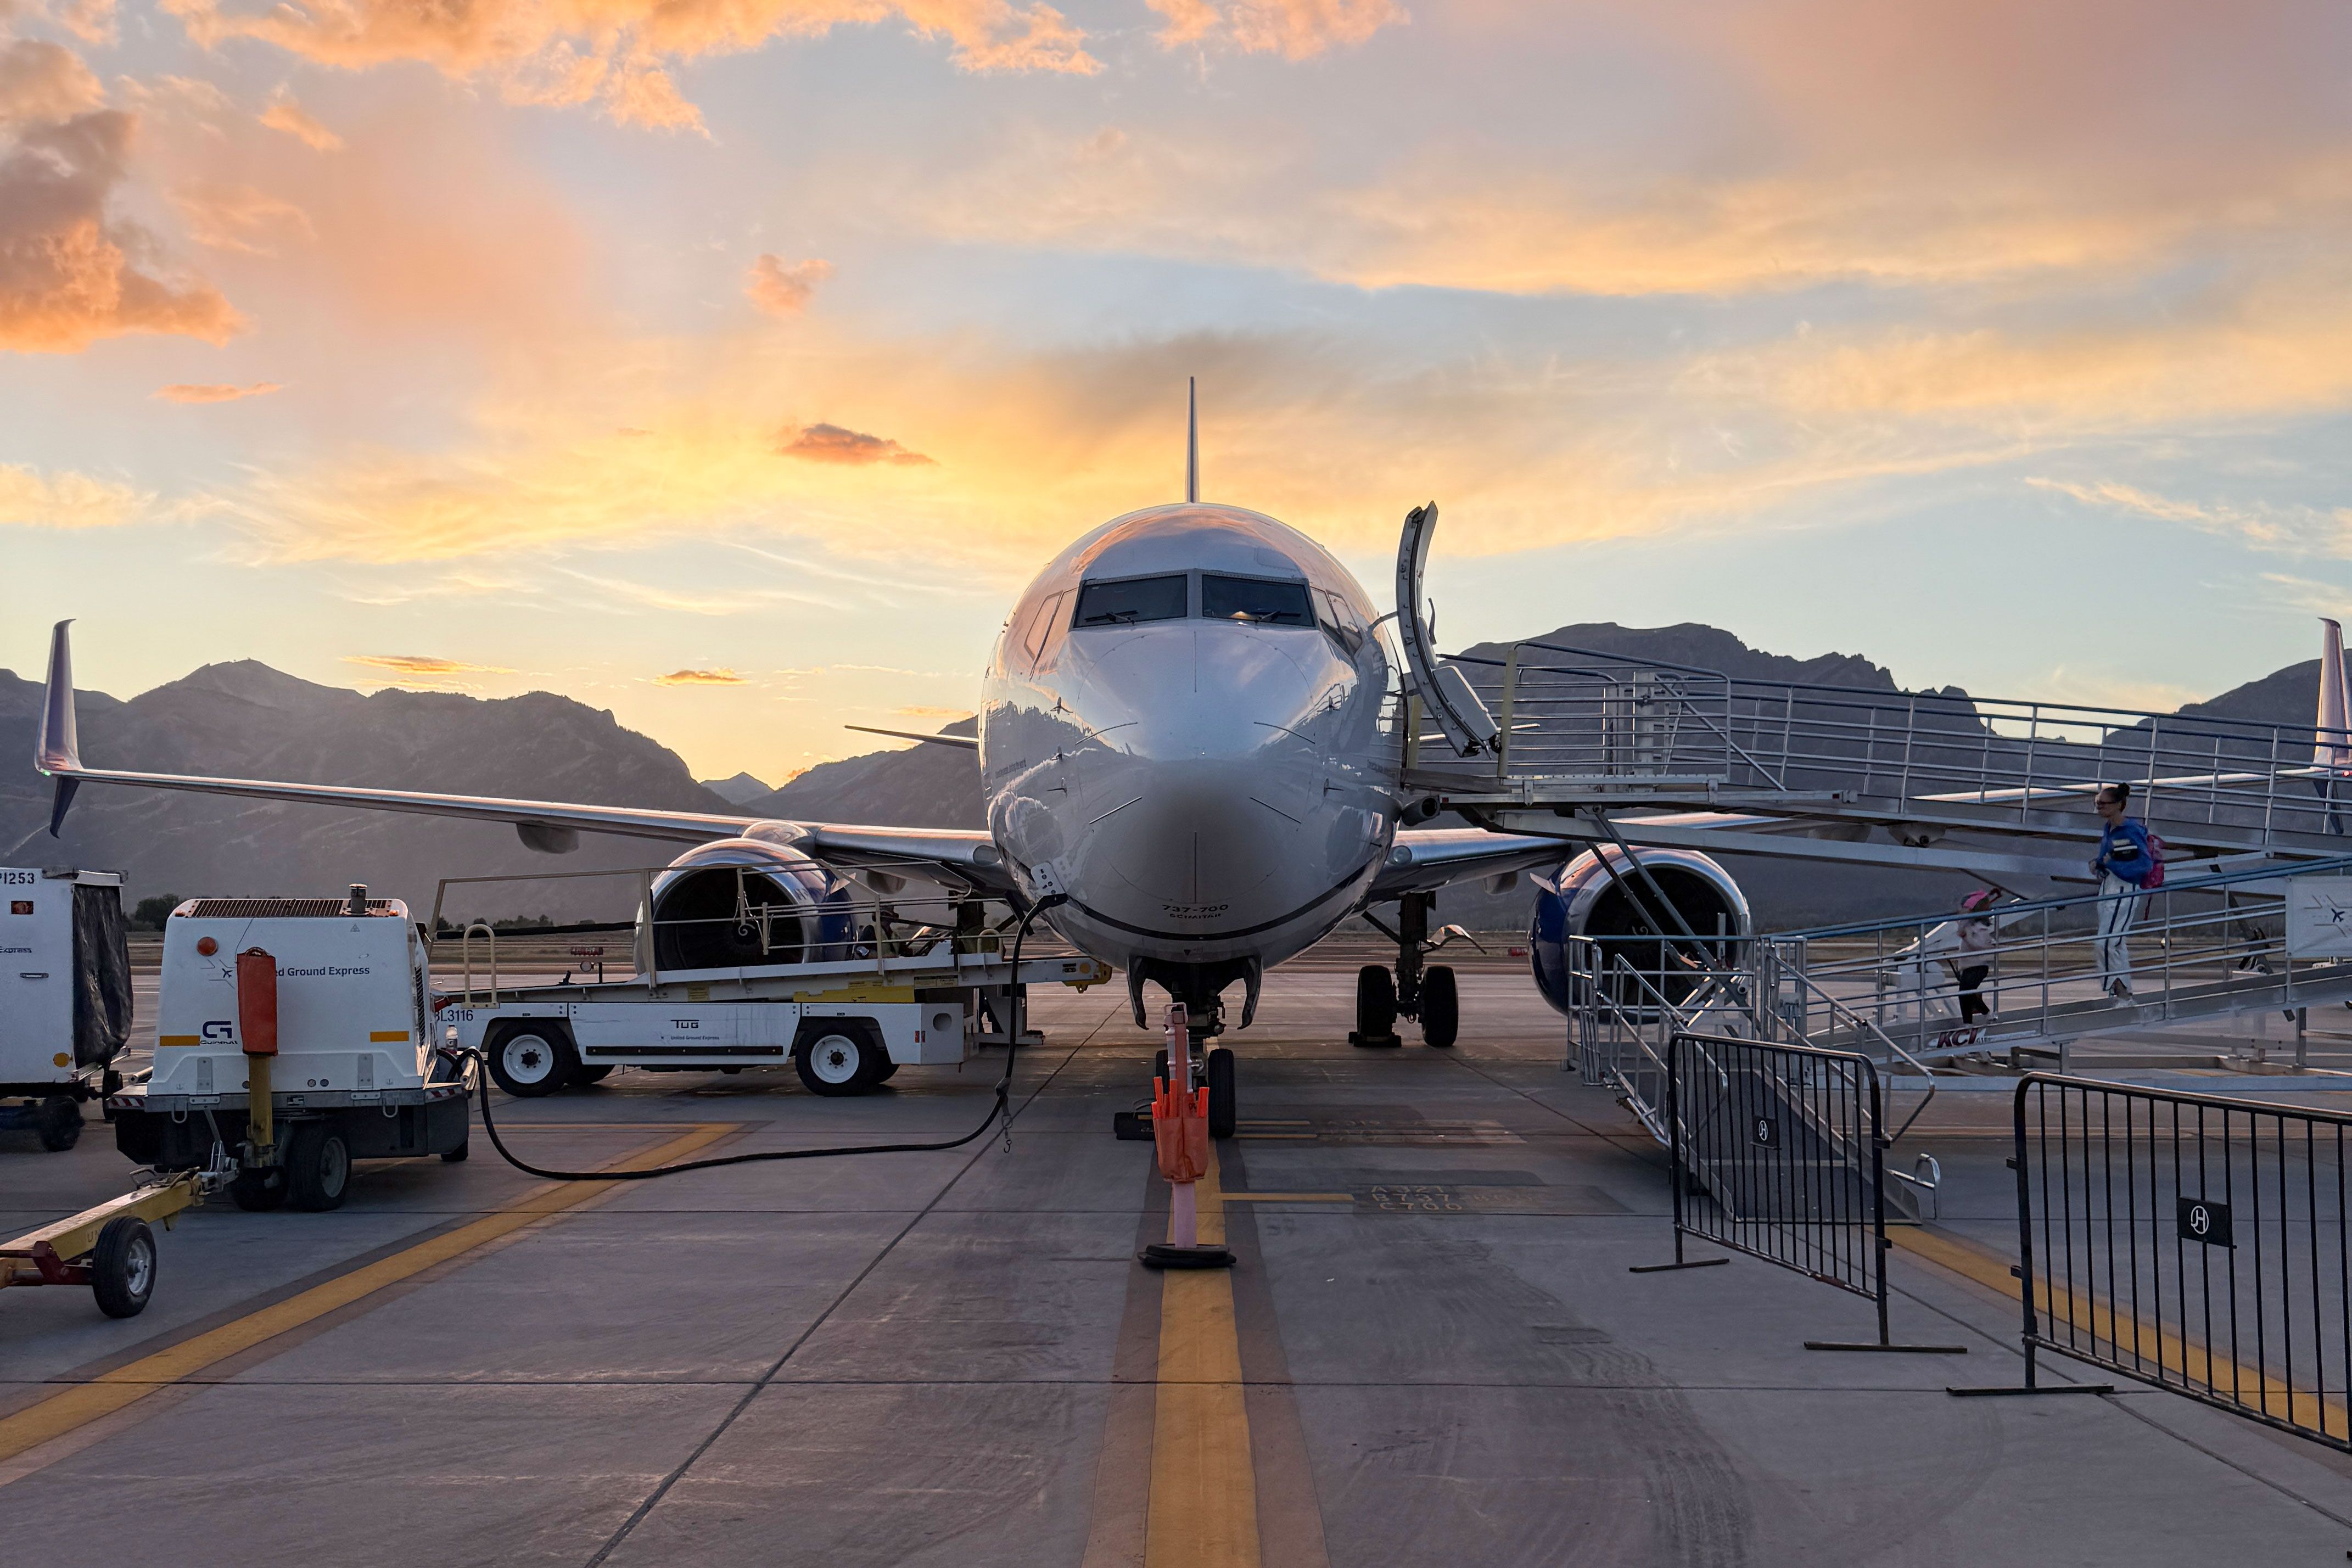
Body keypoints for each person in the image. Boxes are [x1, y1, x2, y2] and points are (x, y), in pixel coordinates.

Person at [2091, 782, 2157, 1000]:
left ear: (2119, 805)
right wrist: (2099, 863)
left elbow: (2144, 864)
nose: (2098, 807)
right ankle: (2123, 991)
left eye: (2103, 804)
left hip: (2124, 887)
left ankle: (2117, 989)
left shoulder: (2131, 830)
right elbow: (2108, 855)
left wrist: (2113, 865)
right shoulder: (2109, 827)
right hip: (2109, 886)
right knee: (2116, 943)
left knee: (2107, 942)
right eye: (2097, 803)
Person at [1953, 889, 1998, 1022]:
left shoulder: (1978, 927)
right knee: (1966, 994)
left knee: (1964, 994)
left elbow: (1979, 945)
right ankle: (1977, 1018)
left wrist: (1966, 937)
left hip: (1977, 966)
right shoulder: (1970, 925)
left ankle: (1978, 1018)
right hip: (1970, 966)